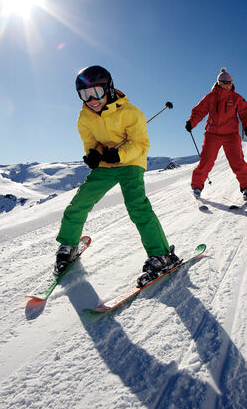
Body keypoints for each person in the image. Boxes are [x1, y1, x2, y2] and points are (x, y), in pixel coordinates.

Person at [56, 65, 180, 286]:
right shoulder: (84, 117)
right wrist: (92, 155)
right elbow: (90, 144)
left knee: (137, 206)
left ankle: (162, 255)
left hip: (131, 163)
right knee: (79, 203)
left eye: (96, 92)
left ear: (109, 88)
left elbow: (141, 145)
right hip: (105, 165)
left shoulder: (131, 113)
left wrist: (120, 154)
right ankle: (68, 246)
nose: (92, 99)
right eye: (85, 95)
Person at [185, 67, 247, 201]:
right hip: (212, 134)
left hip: (231, 135)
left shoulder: (236, 98)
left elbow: (245, 113)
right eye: (225, 82)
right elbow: (199, 110)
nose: (228, 84)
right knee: (206, 161)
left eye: (230, 82)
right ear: (219, 82)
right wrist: (191, 122)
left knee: (237, 161)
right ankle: (197, 187)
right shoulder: (210, 97)